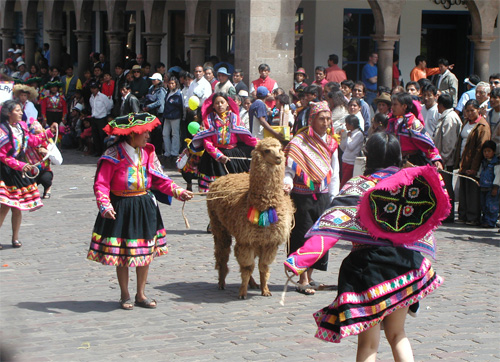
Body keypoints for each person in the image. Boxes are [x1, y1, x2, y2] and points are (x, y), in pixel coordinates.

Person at [284, 132, 446, 361]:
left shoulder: (358, 186)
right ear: (398, 155)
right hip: (402, 265)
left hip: (367, 270)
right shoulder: (409, 184)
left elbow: (332, 227)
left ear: (369, 156)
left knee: (368, 344)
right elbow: (421, 226)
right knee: (398, 334)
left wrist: (299, 260)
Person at [87, 112, 193, 309]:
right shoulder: (113, 155)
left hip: (144, 205)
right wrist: (105, 205)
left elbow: (160, 179)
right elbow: (101, 184)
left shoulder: (148, 154)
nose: (147, 137)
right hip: (122, 206)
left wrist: (178, 191)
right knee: (124, 254)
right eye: (144, 133)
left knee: (145, 252)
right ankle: (125, 294)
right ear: (131, 134)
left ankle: (141, 294)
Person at [284, 101, 339, 295]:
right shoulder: (299, 142)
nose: (325, 123)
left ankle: (310, 274)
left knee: (319, 238)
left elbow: (334, 171)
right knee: (302, 236)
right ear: (312, 120)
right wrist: (288, 182)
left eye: (328, 119)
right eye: (321, 119)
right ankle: (302, 279)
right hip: (301, 196)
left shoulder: (332, 143)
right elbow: (289, 168)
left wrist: (334, 197)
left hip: (322, 196)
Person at [0, 100, 57, 249]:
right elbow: (3, 156)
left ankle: (15, 237)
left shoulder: (21, 128)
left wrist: (50, 132)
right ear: (8, 113)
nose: (20, 113)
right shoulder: (2, 131)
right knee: (6, 204)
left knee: (17, 205)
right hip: (5, 170)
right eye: (17, 110)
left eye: (20, 110)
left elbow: (34, 141)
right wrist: (21, 165)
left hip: (19, 170)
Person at [190, 92, 258, 193]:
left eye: (222, 102)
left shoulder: (234, 118)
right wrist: (219, 156)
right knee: (216, 193)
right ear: (213, 105)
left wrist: (262, 144)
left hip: (233, 156)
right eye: (217, 103)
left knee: (236, 191)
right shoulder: (208, 120)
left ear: (227, 104)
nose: (220, 105)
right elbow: (207, 143)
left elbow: (246, 138)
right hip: (214, 159)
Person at [455, 99, 491, 226]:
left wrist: (474, 167)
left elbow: (480, 148)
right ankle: (463, 214)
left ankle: (473, 216)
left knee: (473, 192)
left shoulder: (482, 126)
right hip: (464, 162)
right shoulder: (466, 123)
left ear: (478, 110)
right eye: (467, 111)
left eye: (472, 111)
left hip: (474, 164)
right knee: (464, 190)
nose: (469, 113)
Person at [387, 92, 443, 169]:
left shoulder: (413, 123)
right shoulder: (392, 122)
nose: (392, 107)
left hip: (411, 162)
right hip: (394, 161)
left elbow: (427, 143)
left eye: (395, 104)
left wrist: (436, 159)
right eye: (392, 104)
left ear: (404, 106)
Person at [434, 94, 462, 223]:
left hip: (445, 160)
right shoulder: (446, 117)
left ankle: (449, 213)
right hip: (442, 158)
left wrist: (443, 158)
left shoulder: (450, 118)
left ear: (440, 105)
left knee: (446, 186)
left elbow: (449, 142)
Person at [163, 76, 184, 166]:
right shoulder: (169, 93)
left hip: (175, 116)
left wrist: (183, 116)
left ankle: (174, 152)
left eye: (173, 83)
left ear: (176, 84)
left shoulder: (179, 94)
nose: (171, 85)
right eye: (169, 83)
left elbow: (182, 106)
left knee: (175, 134)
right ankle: (167, 152)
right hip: (167, 116)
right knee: (165, 133)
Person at [478, 140, 499, 228]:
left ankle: (491, 221)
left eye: (489, 151)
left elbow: (498, 176)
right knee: (484, 205)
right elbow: (480, 173)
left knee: (492, 206)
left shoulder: (496, 163)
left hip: (492, 188)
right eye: (485, 151)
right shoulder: (484, 162)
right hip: (483, 187)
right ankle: (485, 220)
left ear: (493, 152)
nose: (486, 153)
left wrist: (495, 187)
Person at [339, 114, 364, 188]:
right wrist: (344, 137)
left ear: (351, 125)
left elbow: (351, 147)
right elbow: (343, 147)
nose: (346, 125)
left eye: (347, 124)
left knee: (345, 183)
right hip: (345, 160)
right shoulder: (350, 133)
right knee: (342, 180)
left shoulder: (359, 134)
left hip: (351, 162)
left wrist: (349, 137)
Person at [89, 82, 113, 156]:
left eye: (94, 88)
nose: (93, 90)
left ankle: (103, 151)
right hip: (94, 118)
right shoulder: (91, 97)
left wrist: (106, 115)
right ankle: (97, 151)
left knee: (102, 135)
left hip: (102, 118)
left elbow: (108, 106)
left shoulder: (103, 97)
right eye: (92, 88)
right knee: (95, 135)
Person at [487, 87, 500, 156]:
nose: (492, 100)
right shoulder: (488, 114)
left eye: (495, 98)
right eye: (491, 97)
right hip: (489, 154)